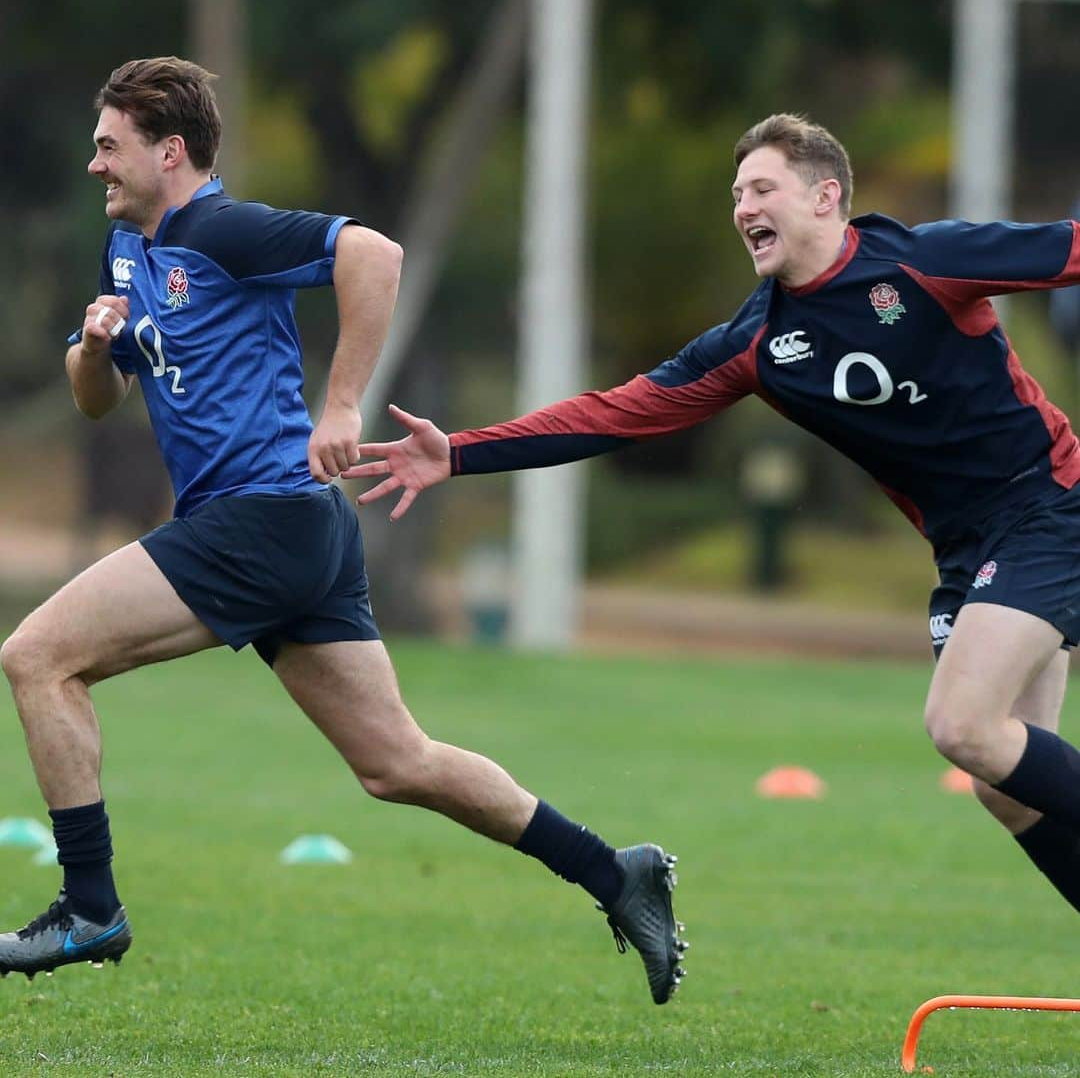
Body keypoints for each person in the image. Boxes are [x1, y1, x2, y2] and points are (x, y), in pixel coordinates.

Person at [0, 57, 687, 1005]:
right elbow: (96, 401)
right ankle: (617, 874)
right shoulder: (129, 254)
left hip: (268, 517)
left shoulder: (222, 227)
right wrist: (93, 346)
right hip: (291, 530)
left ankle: (88, 905)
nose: (95, 167)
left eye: (109, 147)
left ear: (170, 152)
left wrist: (343, 404)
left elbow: (376, 254)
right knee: (397, 764)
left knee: (37, 658)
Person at [349, 112, 1080, 922]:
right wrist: (458, 452)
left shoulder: (924, 260)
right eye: (737, 195)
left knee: (961, 725)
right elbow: (615, 413)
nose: (742, 208)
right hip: (963, 548)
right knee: (1002, 785)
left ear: (825, 197)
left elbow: (1069, 247)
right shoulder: (758, 342)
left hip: (1048, 502)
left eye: (762, 188)